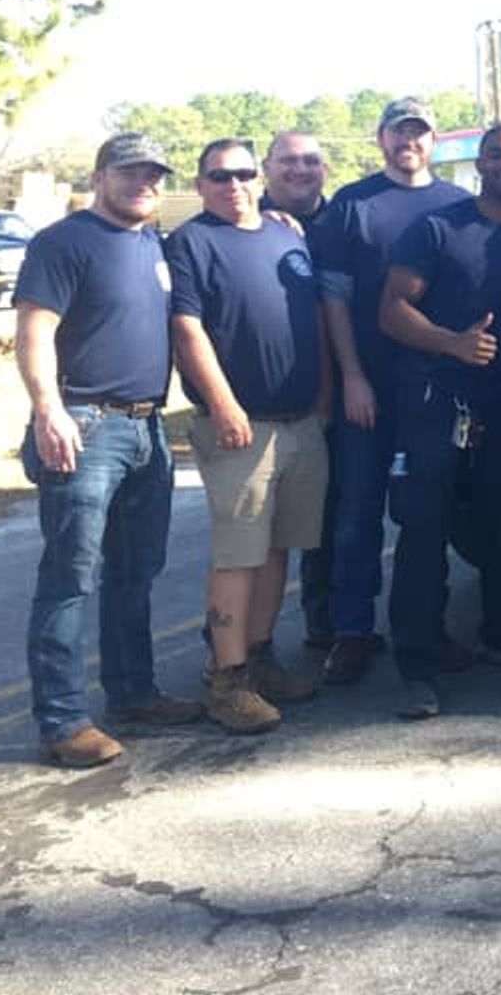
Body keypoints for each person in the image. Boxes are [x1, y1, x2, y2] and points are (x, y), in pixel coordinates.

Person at [15, 133, 205, 768]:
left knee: (135, 573)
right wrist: (49, 411)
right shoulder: (63, 244)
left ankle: (133, 694)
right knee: (70, 577)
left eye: (153, 174)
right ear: (100, 177)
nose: (143, 183)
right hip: (86, 425)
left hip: (148, 428)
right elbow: (34, 331)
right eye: (129, 172)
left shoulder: (155, 242)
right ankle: (64, 721)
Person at [378, 121, 501, 718]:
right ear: (477, 165)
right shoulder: (437, 229)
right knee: (424, 527)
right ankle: (417, 662)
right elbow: (392, 310)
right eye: (498, 154)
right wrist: (452, 344)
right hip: (435, 395)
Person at [166, 139, 327, 735]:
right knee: (238, 555)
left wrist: (324, 400)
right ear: (200, 182)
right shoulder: (190, 242)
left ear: (259, 177)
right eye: (217, 176)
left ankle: (259, 657)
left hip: (298, 421)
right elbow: (187, 328)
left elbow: (312, 319)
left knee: (278, 548)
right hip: (240, 425)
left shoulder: (288, 235)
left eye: (241, 173)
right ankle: (226, 678)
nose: (232, 185)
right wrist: (223, 402)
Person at [309, 98, 468, 684]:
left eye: (420, 133)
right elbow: (332, 298)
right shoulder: (353, 205)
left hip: (433, 390)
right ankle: (352, 631)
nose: (410, 143)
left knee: (429, 516)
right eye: (399, 133)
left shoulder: (458, 205)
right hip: (368, 389)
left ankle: (428, 627)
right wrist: (351, 375)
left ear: (435, 141)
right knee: (358, 513)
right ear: (381, 139)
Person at [258, 129, 340, 653]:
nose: (300, 170)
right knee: (254, 540)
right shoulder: (243, 222)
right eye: (288, 161)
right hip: (266, 406)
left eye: (311, 160)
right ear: (267, 168)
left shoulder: (342, 220)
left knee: (326, 523)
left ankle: (325, 625)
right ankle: (236, 653)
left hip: (334, 394)